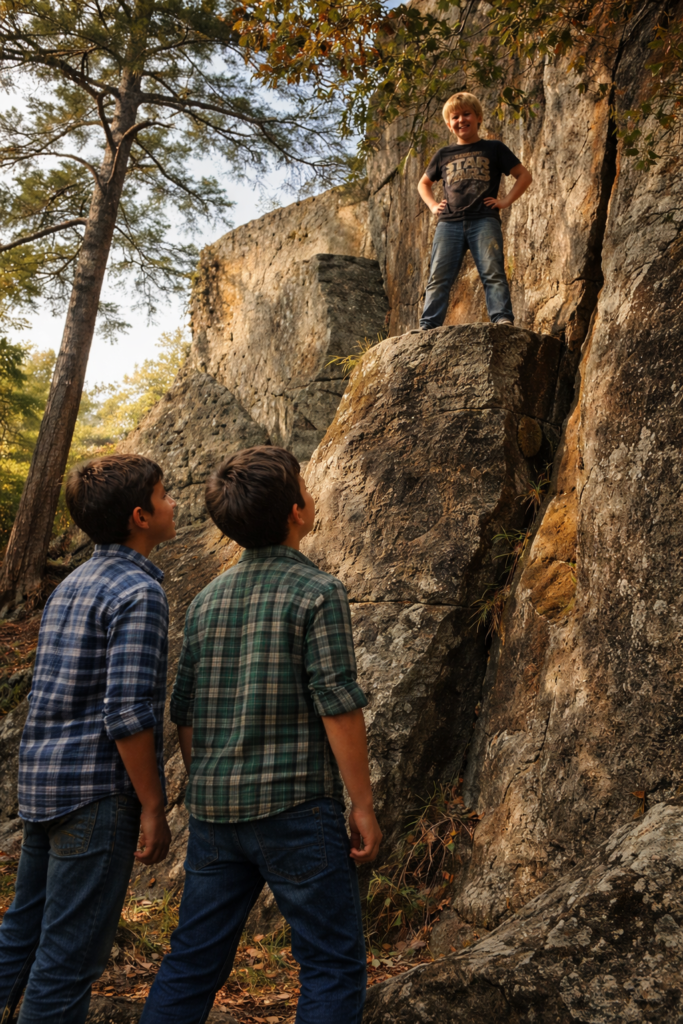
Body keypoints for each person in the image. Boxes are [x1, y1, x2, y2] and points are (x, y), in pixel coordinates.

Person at [140, 445, 382, 1024]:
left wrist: (207, 784)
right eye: (305, 485)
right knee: (330, 965)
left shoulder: (204, 602)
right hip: (296, 807)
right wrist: (363, 804)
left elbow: (185, 712)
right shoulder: (318, 592)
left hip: (216, 816)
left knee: (193, 961)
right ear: (298, 510)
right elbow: (338, 706)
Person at [0, 454, 176, 1024]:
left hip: (43, 788)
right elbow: (126, 713)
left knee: (19, 936)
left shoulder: (72, 585)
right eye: (164, 494)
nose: (173, 502)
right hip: (95, 796)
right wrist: (153, 804)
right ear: (139, 516)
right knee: (66, 963)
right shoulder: (138, 594)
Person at [418, 91, 533, 330]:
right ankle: (428, 325)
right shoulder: (443, 155)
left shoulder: (494, 148)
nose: (461, 120)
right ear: (449, 125)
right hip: (448, 223)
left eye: (466, 114)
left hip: (484, 220)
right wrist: (431, 205)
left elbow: (523, 175)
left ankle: (502, 319)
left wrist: (504, 202)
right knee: (438, 277)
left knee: (492, 272)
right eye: (455, 117)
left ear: (478, 117)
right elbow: (423, 184)